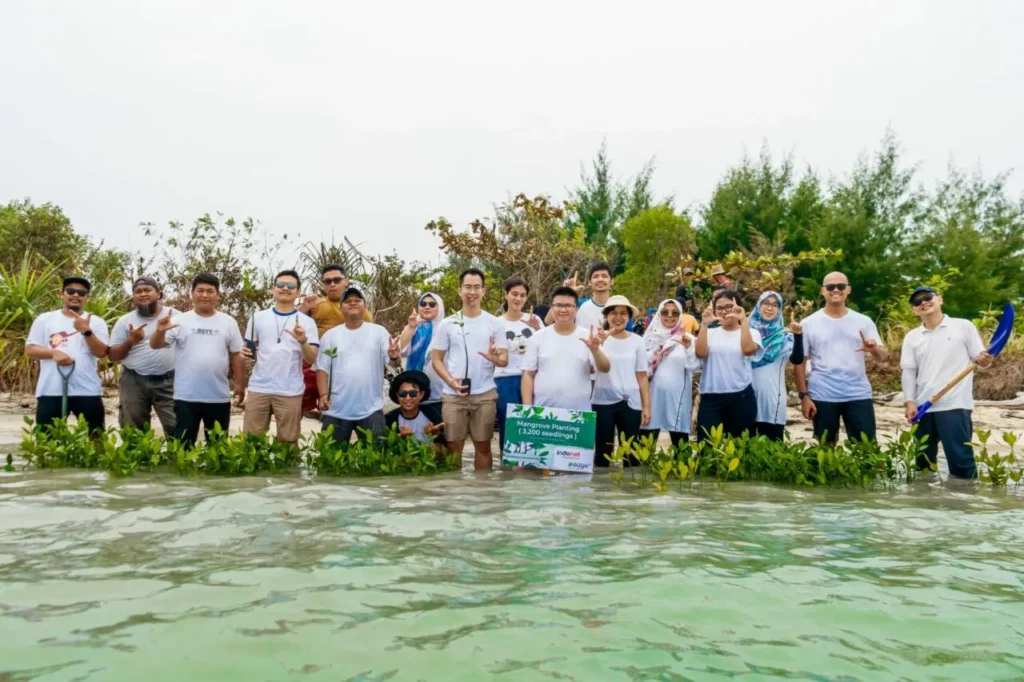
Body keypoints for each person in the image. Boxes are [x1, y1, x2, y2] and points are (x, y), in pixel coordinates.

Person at [901, 286, 991, 479]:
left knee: (961, 462)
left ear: (939, 299)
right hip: (922, 407)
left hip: (955, 405)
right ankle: (925, 506)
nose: (923, 302)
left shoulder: (963, 326)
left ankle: (963, 505)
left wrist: (985, 360)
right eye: (917, 302)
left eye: (928, 297)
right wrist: (909, 401)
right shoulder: (912, 337)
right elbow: (909, 371)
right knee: (922, 465)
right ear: (914, 310)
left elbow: (981, 360)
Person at [150, 272, 245, 446]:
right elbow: (156, 345)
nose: (204, 295)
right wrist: (160, 330)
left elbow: (236, 354)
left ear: (218, 295)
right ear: (192, 293)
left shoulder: (228, 322)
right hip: (186, 397)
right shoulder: (179, 320)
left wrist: (240, 385)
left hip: (219, 397)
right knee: (183, 447)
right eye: (200, 290)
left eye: (210, 291)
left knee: (218, 448)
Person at [794, 272, 887, 444]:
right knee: (825, 447)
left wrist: (873, 349)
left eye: (841, 286)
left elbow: (882, 357)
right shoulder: (809, 323)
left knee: (866, 448)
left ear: (848, 290)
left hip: (858, 393)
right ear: (823, 291)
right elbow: (800, 361)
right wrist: (804, 396)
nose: (836, 290)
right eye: (830, 287)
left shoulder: (863, 321)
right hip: (822, 394)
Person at [430, 268, 509, 470]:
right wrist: (450, 381)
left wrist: (495, 358)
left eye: (476, 287)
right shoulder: (447, 324)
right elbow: (436, 359)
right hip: (453, 395)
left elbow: (504, 361)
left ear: (484, 291)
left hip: (485, 394)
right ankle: (455, 495)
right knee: (453, 445)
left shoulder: (495, 323)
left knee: (483, 446)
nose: (471, 292)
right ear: (459, 290)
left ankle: (482, 495)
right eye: (467, 287)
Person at [241, 270, 319, 446]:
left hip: (290, 390)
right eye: (280, 285)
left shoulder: (307, 322)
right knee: (250, 443)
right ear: (273, 289)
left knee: (288, 444)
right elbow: (248, 352)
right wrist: (244, 355)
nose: (285, 288)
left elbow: (312, 358)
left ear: (298, 292)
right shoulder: (258, 317)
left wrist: (303, 340)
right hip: (259, 388)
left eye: (291, 286)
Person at [315, 282, 401, 443]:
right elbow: (322, 368)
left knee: (376, 461)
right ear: (341, 308)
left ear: (365, 306)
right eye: (347, 301)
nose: (353, 303)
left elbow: (394, 364)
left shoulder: (379, 332)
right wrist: (322, 395)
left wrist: (394, 355)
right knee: (329, 462)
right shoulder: (330, 336)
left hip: (371, 409)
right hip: (336, 410)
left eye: (357, 300)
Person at [25, 276, 110, 432]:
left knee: (95, 440)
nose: (76, 295)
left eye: (81, 292)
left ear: (86, 298)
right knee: (48, 442)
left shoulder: (97, 322)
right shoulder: (44, 319)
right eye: (71, 291)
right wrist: (53, 353)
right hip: (51, 390)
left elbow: (101, 352)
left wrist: (86, 331)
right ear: (61, 294)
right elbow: (30, 349)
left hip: (87, 390)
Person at [107, 276, 179, 433]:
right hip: (134, 381)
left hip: (170, 381)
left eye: (148, 290)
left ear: (159, 294)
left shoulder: (176, 316)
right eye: (138, 291)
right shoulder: (125, 321)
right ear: (133, 297)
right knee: (133, 431)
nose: (143, 294)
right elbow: (112, 356)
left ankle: (175, 458)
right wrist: (131, 340)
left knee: (177, 429)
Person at [521, 286, 611, 412]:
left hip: (578, 414)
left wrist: (595, 350)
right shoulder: (538, 337)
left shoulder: (588, 337)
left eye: (568, 306)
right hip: (542, 413)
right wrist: (527, 409)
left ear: (576, 309)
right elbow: (528, 374)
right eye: (558, 305)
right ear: (552, 308)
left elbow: (605, 368)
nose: (563, 309)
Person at [298, 264, 372, 414]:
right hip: (313, 364)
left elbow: (367, 338)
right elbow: (293, 323)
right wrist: (305, 308)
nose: (332, 284)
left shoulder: (360, 309)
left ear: (346, 281)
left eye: (337, 280)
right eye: (327, 281)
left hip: (342, 367)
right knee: (298, 406)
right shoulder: (316, 304)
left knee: (334, 409)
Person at [694, 289, 763, 439]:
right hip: (711, 397)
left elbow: (748, 350)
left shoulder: (751, 333)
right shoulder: (710, 333)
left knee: (742, 447)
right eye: (719, 308)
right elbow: (700, 353)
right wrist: (704, 324)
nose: (724, 312)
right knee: (707, 446)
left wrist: (743, 321)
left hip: (741, 396)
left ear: (738, 307)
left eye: (729, 307)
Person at [590, 295, 649, 466]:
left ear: (629, 317)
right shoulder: (598, 339)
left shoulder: (637, 341)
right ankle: (602, 491)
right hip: (602, 401)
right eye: (613, 313)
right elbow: (592, 369)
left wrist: (646, 407)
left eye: (623, 313)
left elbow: (642, 375)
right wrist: (598, 345)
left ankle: (629, 493)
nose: (618, 317)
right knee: (602, 454)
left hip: (631, 402)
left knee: (631, 455)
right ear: (606, 316)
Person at [641, 299, 702, 448]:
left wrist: (688, 348)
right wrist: (653, 355)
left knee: (680, 447)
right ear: (658, 315)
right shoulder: (647, 340)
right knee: (645, 446)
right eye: (665, 312)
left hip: (678, 398)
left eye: (675, 313)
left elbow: (695, 367)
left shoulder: (688, 339)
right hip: (651, 398)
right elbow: (640, 366)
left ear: (680, 315)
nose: (670, 316)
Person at [494, 276, 543, 452]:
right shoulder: (496, 323)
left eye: (522, 295)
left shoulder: (534, 319)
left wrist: (538, 329)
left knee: (534, 426)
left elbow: (547, 347)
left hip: (532, 378)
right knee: (509, 429)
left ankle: (533, 470)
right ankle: (506, 472)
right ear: (506, 295)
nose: (518, 298)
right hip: (506, 380)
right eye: (514, 294)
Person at [748, 291, 804, 441]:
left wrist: (798, 336)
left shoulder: (785, 336)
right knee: (743, 450)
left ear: (779, 310)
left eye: (775, 305)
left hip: (772, 401)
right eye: (766, 303)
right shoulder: (745, 334)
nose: (769, 308)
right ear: (758, 306)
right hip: (744, 400)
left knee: (771, 450)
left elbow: (797, 360)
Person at [552, 262, 632, 331]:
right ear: (590, 282)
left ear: (611, 281)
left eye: (604, 276)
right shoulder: (578, 305)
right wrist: (565, 292)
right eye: (595, 276)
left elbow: (628, 336)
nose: (600, 279)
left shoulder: (622, 308)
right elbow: (549, 321)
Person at [398, 292, 446, 406]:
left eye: (432, 304)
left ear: (439, 307)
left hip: (439, 390)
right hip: (413, 391)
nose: (427, 307)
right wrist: (411, 327)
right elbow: (402, 351)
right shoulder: (414, 326)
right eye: (423, 304)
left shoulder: (446, 327)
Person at [385, 370, 446, 446]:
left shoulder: (431, 413)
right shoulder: (390, 419)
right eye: (402, 393)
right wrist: (400, 439)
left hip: (429, 456)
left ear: (421, 394)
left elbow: (445, 449)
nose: (408, 398)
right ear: (397, 395)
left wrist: (436, 434)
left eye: (413, 393)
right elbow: (386, 448)